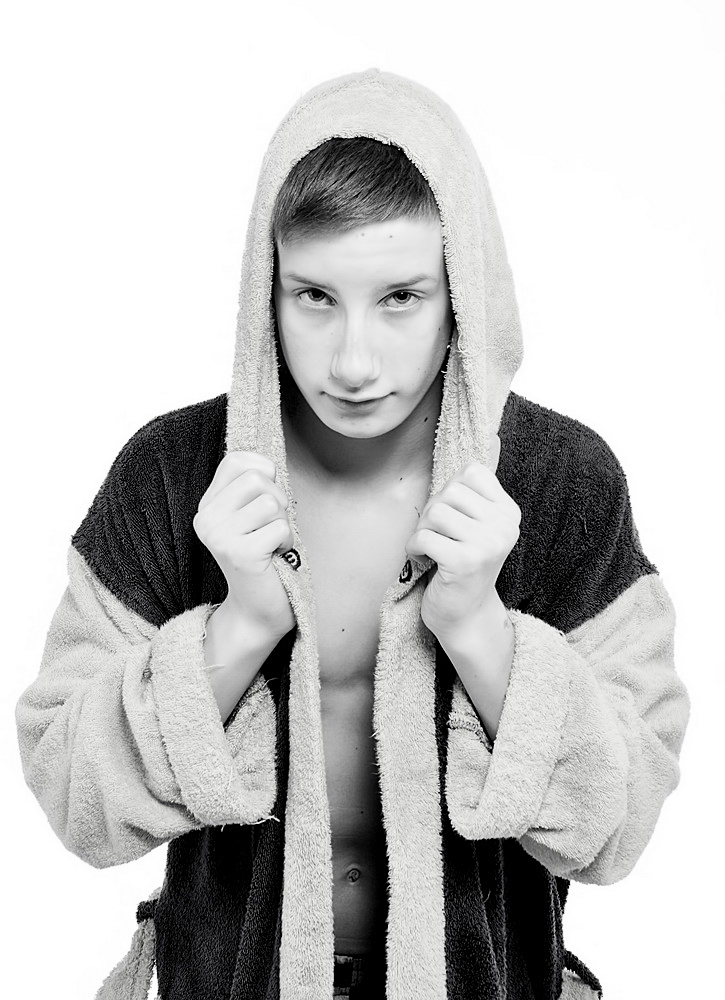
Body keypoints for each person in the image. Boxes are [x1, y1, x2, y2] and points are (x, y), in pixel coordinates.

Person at [15, 68, 690, 1000]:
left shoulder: (558, 480)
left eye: (400, 297)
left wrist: (479, 632)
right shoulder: (172, 474)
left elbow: (621, 822)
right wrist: (239, 625)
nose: (354, 361)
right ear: (267, 292)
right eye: (315, 297)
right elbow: (72, 794)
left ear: (461, 294)